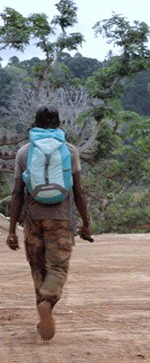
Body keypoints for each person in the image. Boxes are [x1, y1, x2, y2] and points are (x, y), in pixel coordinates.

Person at [5, 106, 91, 341]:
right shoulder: (69, 151)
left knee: (38, 267)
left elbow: (17, 193)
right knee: (58, 268)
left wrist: (12, 230)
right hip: (60, 220)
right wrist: (86, 223)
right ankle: (47, 302)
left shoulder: (24, 152)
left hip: (33, 221)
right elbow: (79, 191)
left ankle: (43, 311)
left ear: (35, 123)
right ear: (58, 123)